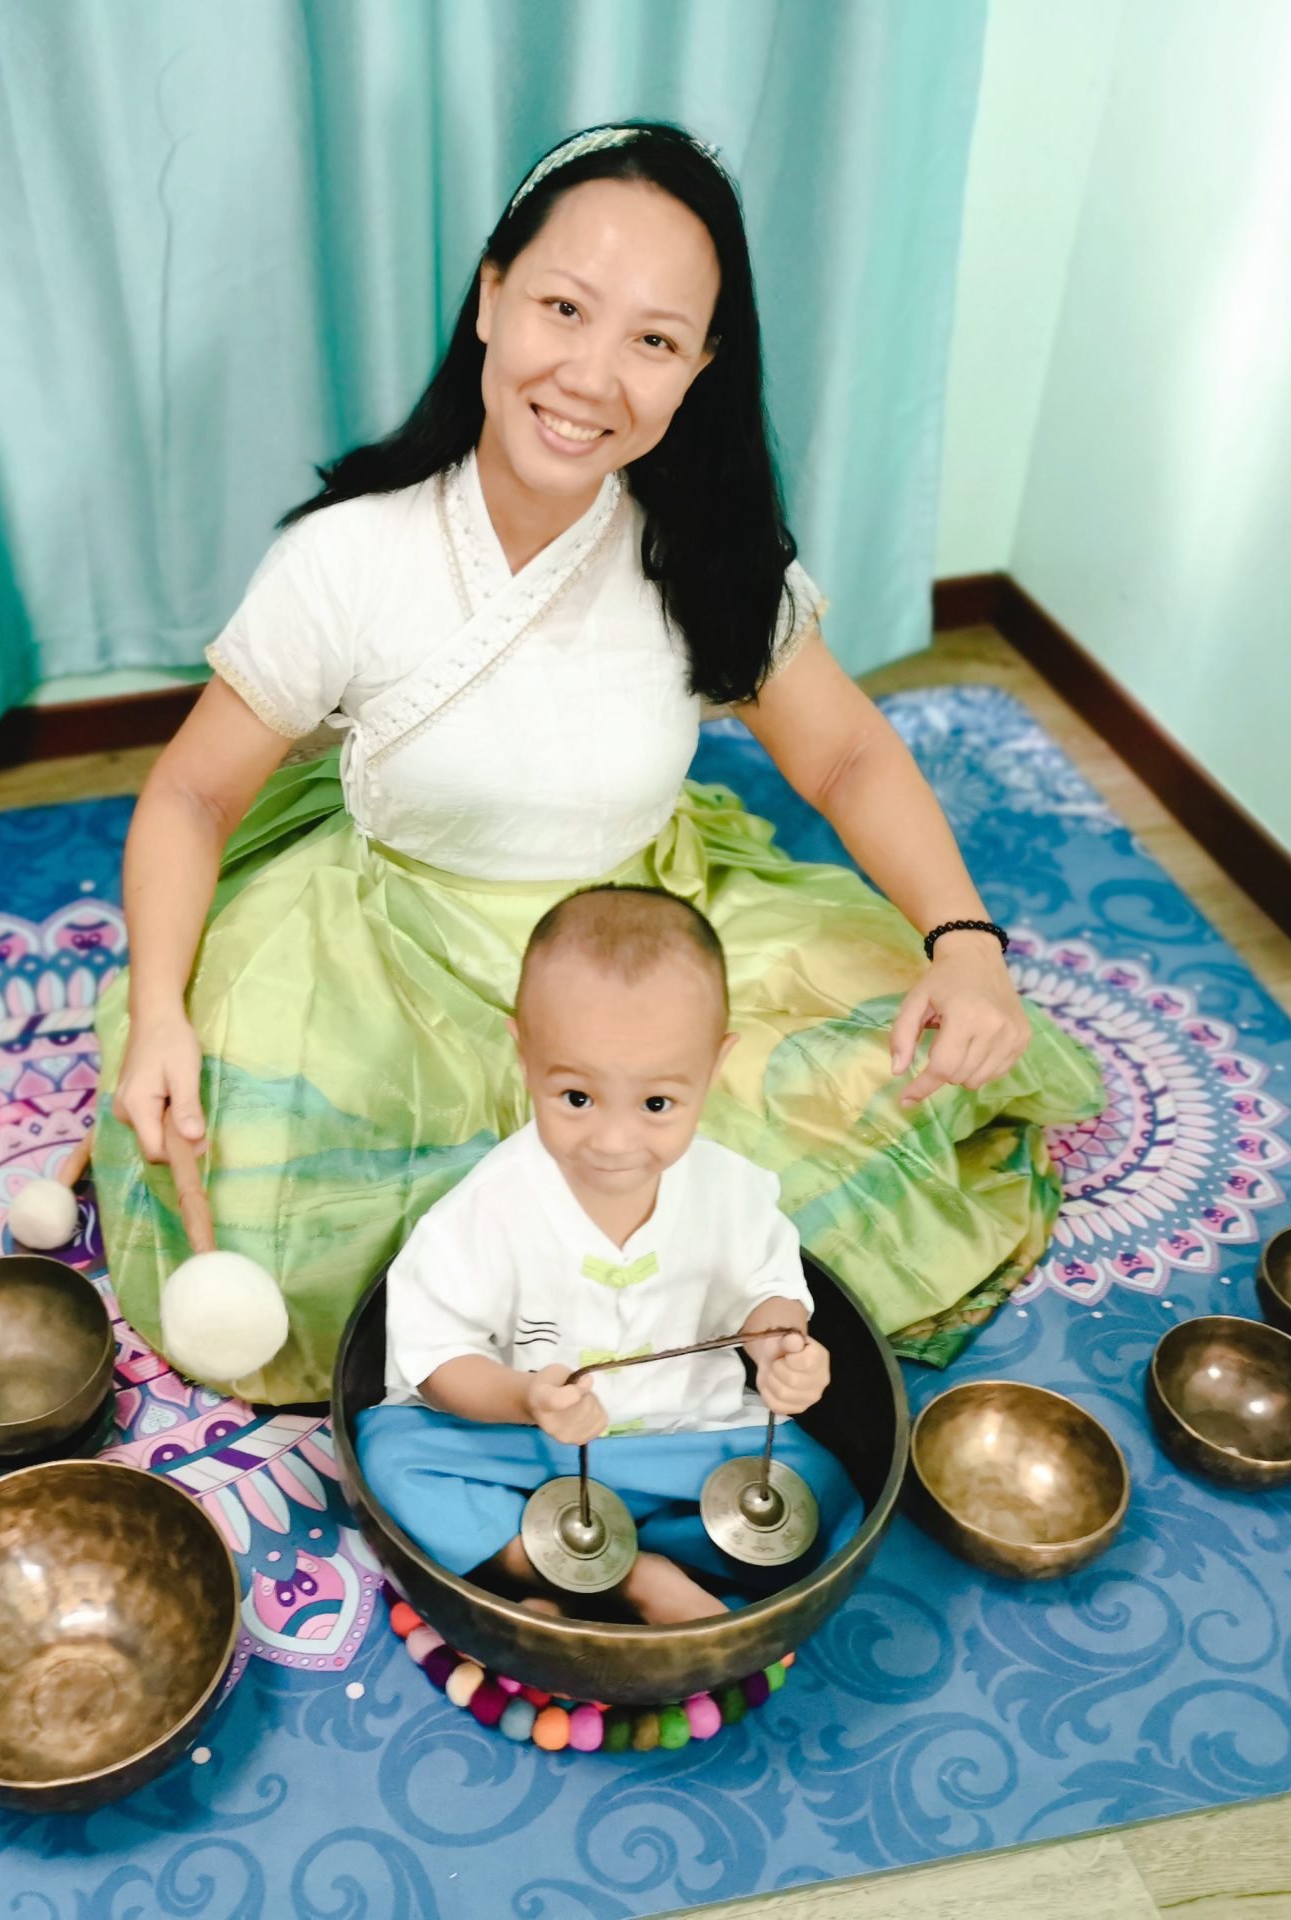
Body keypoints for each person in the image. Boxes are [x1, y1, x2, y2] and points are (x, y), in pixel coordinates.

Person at [93, 121, 1103, 1404]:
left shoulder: (706, 556)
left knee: (869, 1105)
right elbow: (192, 794)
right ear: (490, 298)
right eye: (563, 308)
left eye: (653, 340)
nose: (590, 375)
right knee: (274, 1218)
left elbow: (847, 754)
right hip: (389, 955)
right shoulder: (347, 558)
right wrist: (162, 1013)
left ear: (699, 369)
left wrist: (964, 942)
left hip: (643, 943)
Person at [355, 887, 858, 1623]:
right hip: (528, 1447)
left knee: (825, 1489)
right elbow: (436, 1361)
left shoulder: (732, 1191)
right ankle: (627, 1577)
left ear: (713, 1067)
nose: (614, 1142)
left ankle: (575, 1563)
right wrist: (524, 1399)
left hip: (690, 1444)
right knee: (391, 1457)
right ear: (525, 1055)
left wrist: (783, 1349)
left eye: (657, 1105)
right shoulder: (484, 1209)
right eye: (576, 1097)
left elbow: (770, 1294)